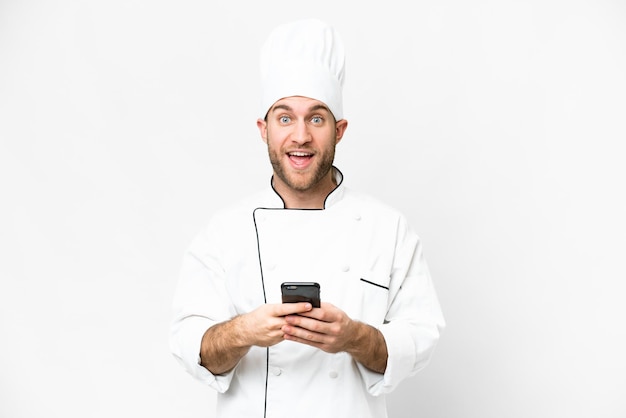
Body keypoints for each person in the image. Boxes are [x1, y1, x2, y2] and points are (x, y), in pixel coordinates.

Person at [170, 18, 445, 418]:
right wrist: (243, 331)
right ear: (264, 130)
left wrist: (355, 337)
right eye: (285, 118)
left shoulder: (387, 228)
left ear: (340, 130)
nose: (300, 136)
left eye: (316, 118)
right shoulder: (224, 232)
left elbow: (420, 339)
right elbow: (188, 346)